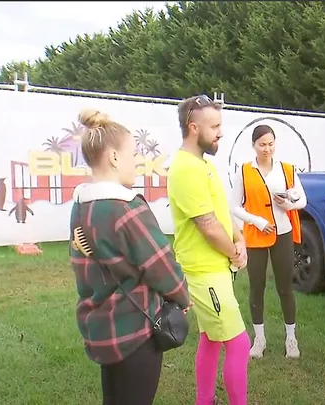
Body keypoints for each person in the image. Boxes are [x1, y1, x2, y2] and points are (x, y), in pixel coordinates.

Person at [68, 108, 192, 405]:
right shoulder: (126, 206)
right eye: (133, 154)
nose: (137, 161)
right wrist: (183, 298)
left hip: (101, 327)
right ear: (113, 157)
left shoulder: (81, 206)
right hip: (135, 330)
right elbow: (161, 264)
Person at [167, 94, 250, 405]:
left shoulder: (204, 164)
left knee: (211, 339)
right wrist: (234, 252)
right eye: (214, 126)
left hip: (215, 268)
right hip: (204, 271)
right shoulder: (185, 168)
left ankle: (205, 401)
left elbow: (222, 213)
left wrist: (239, 238)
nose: (220, 132)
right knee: (238, 344)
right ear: (193, 128)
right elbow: (207, 225)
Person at [230, 124, 307, 359]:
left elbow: (301, 199)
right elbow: (233, 206)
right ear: (253, 145)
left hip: (283, 234)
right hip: (256, 235)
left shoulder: (286, 169)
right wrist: (257, 221)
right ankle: (259, 339)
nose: (267, 149)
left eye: (270, 144)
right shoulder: (244, 171)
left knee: (285, 287)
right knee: (257, 286)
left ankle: (291, 339)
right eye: (262, 144)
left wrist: (289, 204)